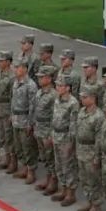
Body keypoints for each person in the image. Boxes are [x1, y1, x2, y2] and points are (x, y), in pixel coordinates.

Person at [75, 85, 105, 211]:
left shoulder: (99, 116)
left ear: (93, 98)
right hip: (81, 150)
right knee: (84, 179)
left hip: (91, 152)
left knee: (94, 180)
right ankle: (89, 201)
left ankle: (96, 205)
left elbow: (100, 140)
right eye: (81, 97)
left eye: (85, 97)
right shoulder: (82, 112)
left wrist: (97, 158)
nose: (82, 99)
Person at [50, 75, 80, 205]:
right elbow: (54, 118)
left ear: (68, 88)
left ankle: (70, 193)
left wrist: (71, 143)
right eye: (57, 85)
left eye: (60, 86)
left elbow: (73, 125)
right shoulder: (57, 99)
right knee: (59, 165)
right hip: (56, 136)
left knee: (68, 166)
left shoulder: (73, 103)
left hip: (66, 138)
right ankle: (63, 189)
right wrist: (52, 133)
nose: (58, 88)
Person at [10, 58, 39, 184]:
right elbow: (13, 100)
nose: (15, 69)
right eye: (15, 67)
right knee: (19, 146)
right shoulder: (16, 82)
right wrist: (12, 114)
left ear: (25, 69)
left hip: (25, 120)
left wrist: (30, 123)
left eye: (18, 67)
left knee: (28, 147)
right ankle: (24, 168)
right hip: (16, 119)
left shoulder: (31, 85)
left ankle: (31, 171)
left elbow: (33, 106)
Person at [33, 66, 59, 195]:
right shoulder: (39, 92)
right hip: (39, 129)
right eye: (38, 77)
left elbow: (56, 117)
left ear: (49, 79)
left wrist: (51, 135)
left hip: (47, 131)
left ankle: (53, 180)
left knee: (50, 157)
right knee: (44, 157)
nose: (39, 79)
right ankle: (48, 178)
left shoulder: (54, 95)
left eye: (42, 77)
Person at [0, 51, 16, 172]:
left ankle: (13, 162)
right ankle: (6, 159)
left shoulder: (12, 77)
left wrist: (12, 113)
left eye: (1, 61)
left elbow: (13, 97)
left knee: (9, 137)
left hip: (6, 110)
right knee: (2, 135)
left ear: (8, 62)